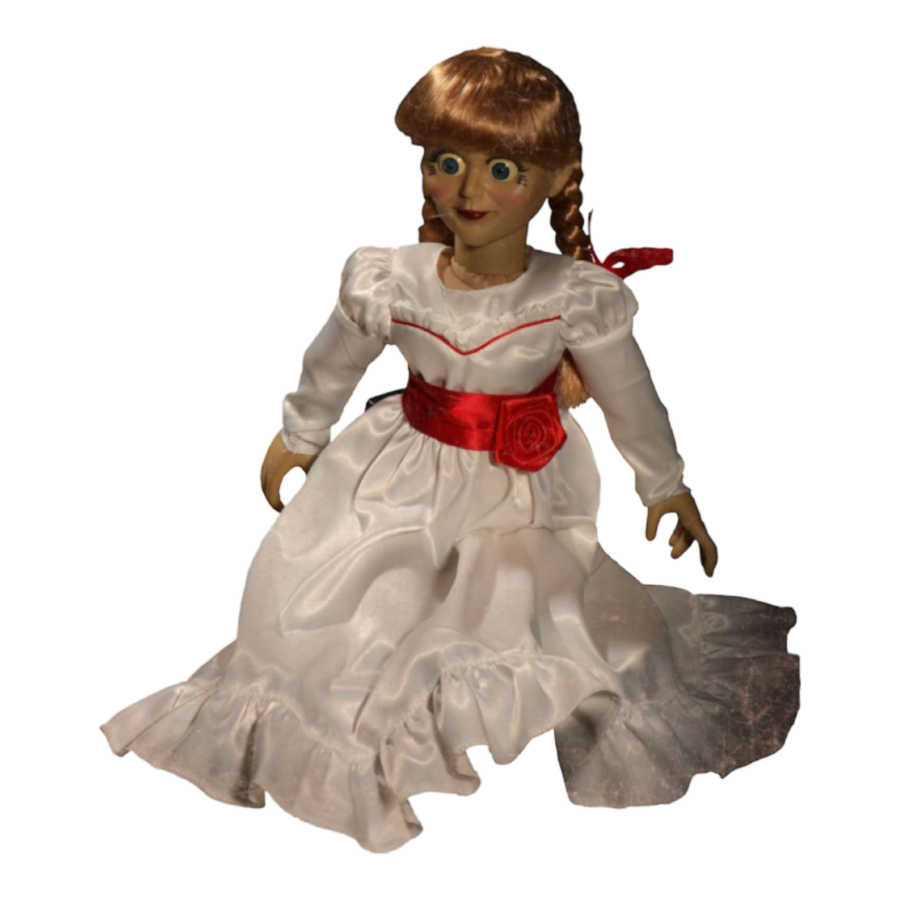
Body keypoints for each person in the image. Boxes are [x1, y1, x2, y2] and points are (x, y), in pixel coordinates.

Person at [99, 46, 799, 854]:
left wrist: (663, 485)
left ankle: (468, 688)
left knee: (518, 602)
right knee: (351, 596)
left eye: (503, 170)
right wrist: (301, 431)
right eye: (446, 162)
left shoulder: (573, 296)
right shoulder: (391, 277)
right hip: (402, 469)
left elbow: (628, 398)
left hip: (518, 490)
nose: (469, 191)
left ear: (554, 179)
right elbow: (333, 361)